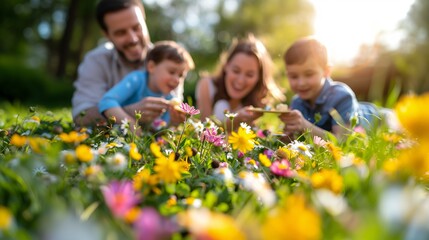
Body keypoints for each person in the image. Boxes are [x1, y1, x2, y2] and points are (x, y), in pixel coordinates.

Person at [72, 0, 182, 126]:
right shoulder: (96, 61)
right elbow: (82, 115)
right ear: (107, 35)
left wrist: (176, 120)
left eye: (137, 28)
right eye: (121, 33)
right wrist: (125, 113)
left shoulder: (169, 62)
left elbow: (174, 115)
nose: (133, 39)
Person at [279, 36, 391, 139]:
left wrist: (305, 126)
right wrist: (288, 136)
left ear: (326, 71)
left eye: (309, 74)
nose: (301, 83)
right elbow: (301, 139)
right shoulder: (297, 103)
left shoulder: (342, 96)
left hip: (384, 119)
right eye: (293, 76)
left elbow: (342, 140)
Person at [98, 40, 194, 132]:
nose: (177, 80)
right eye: (171, 72)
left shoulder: (169, 98)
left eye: (181, 75)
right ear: (151, 67)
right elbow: (107, 101)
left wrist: (174, 123)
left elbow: (160, 131)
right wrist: (131, 124)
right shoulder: (137, 79)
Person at [195, 34, 285, 129]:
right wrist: (235, 121)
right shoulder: (207, 85)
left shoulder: (257, 102)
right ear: (226, 66)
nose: (241, 81)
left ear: (259, 77)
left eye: (249, 75)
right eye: (236, 71)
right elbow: (205, 130)